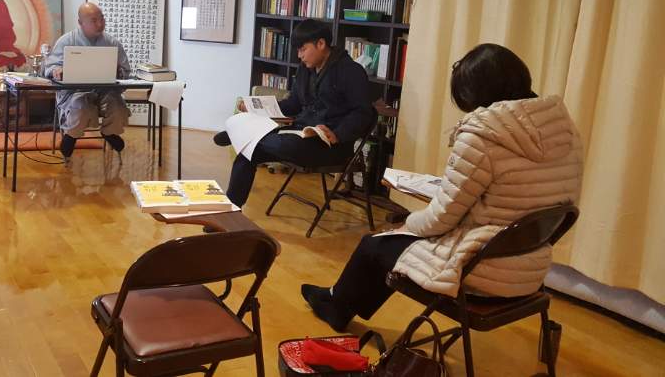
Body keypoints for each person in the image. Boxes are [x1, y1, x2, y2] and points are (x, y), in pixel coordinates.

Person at [301, 43, 584, 331]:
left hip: (482, 268)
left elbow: (441, 219)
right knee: (390, 242)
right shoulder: (563, 130)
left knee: (376, 243)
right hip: (530, 267)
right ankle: (337, 299)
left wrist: (407, 224)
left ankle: (336, 305)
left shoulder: (484, 136)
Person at [214, 19, 376, 206]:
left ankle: (242, 134)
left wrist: (338, 134)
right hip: (300, 134)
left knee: (281, 144)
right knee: (248, 152)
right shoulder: (305, 69)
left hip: (330, 146)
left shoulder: (351, 71)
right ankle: (231, 209)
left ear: (321, 44)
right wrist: (257, 108)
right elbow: (293, 104)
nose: (300, 55)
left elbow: (363, 113)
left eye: (303, 49)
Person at [44, 2, 131, 160]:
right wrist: (57, 70)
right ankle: (71, 137)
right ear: (80, 22)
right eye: (94, 20)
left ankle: (109, 133)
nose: (100, 24)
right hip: (74, 93)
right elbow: (49, 67)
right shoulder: (67, 41)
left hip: (105, 92)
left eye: (102, 19)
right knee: (81, 105)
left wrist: (120, 72)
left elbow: (126, 71)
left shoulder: (112, 43)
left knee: (118, 105)